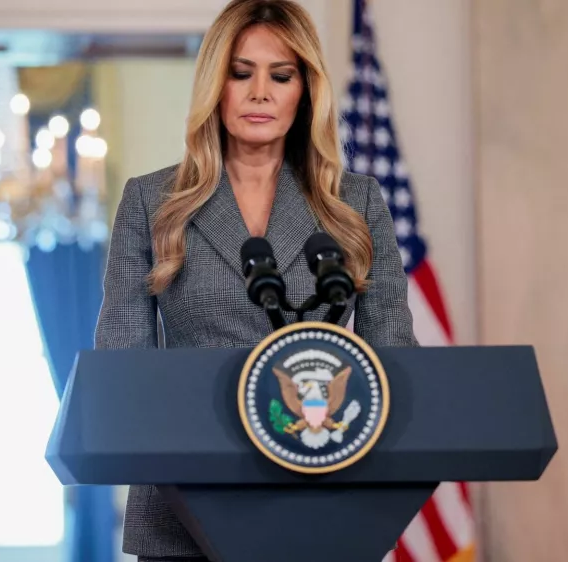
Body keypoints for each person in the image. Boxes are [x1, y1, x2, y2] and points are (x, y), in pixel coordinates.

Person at [93, 0, 418, 559]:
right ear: (214, 87)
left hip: (320, 498)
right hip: (184, 509)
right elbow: (123, 370)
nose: (260, 93)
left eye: (281, 75)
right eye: (241, 73)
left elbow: (394, 363)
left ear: (305, 90)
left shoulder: (356, 203)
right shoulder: (152, 201)